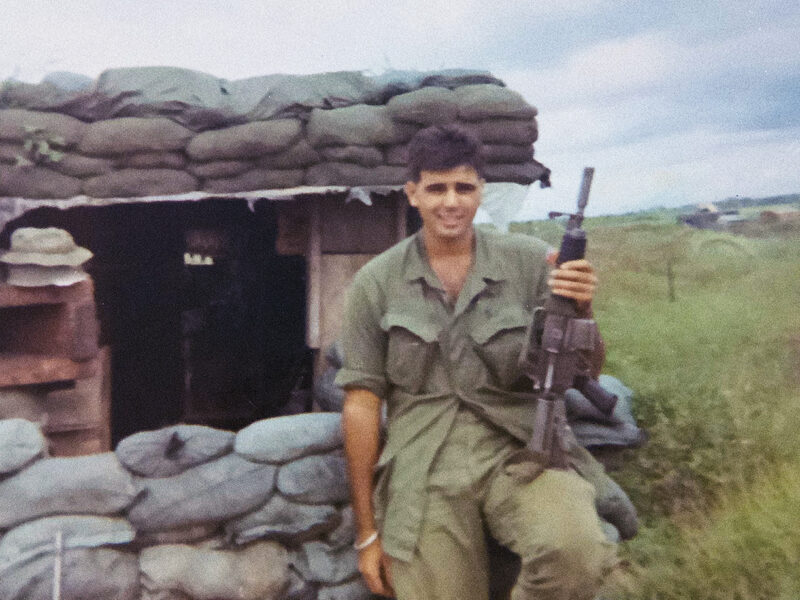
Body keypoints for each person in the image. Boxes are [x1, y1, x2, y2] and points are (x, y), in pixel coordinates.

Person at [336, 124, 616, 600]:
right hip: (424, 465)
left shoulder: (531, 262)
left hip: (520, 450)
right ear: (413, 193)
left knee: (576, 554)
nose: (451, 202)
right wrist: (366, 532)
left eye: (464, 188)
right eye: (437, 188)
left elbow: (587, 370)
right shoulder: (376, 282)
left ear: (481, 191)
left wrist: (583, 309)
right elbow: (361, 406)